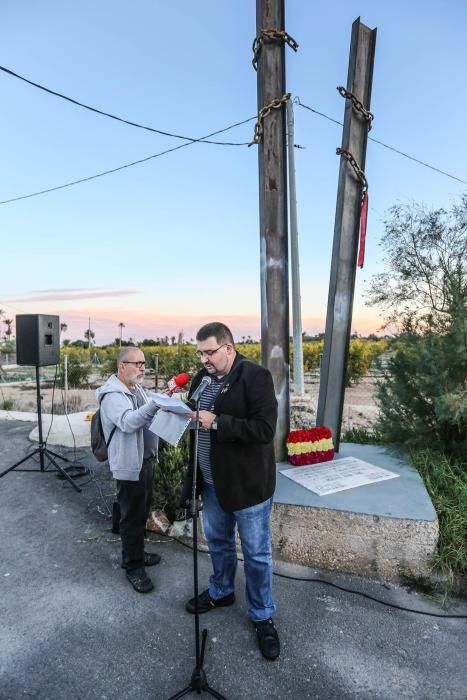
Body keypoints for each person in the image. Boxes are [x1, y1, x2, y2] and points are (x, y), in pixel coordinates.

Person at [183, 322, 280, 661]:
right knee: (219, 543)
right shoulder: (202, 378)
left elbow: (265, 429)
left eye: (209, 352)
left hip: (247, 486)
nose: (204, 359)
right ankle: (221, 591)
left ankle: (262, 614)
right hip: (211, 483)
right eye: (200, 352)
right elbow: (197, 415)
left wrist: (218, 422)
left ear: (228, 347)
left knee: (255, 553)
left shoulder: (255, 377)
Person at [96, 346, 161, 593]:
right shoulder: (112, 395)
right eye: (137, 363)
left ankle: (137, 552)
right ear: (121, 366)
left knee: (141, 510)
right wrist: (155, 404)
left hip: (144, 461)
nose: (142, 367)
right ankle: (133, 566)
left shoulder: (137, 389)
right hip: (129, 464)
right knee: (131, 516)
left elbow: (148, 414)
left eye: (144, 363)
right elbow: (128, 422)